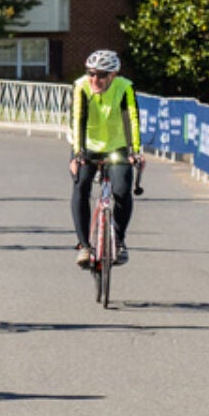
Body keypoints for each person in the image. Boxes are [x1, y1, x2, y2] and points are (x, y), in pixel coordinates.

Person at [69, 49, 141, 267]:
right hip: (87, 145)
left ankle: (118, 241)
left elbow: (132, 118)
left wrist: (135, 151)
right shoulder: (81, 86)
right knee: (81, 186)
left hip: (117, 146)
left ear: (113, 75)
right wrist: (78, 152)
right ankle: (83, 245)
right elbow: (78, 118)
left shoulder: (124, 87)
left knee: (121, 189)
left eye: (101, 75)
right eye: (91, 73)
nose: (95, 79)